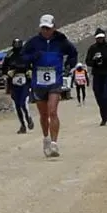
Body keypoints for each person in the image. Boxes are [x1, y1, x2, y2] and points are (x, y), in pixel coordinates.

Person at [20, 14, 78, 158]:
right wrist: (33, 58)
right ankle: (46, 137)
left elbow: (73, 53)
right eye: (43, 28)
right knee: (44, 114)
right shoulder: (33, 42)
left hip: (55, 81)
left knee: (53, 112)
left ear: (54, 28)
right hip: (38, 83)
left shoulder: (61, 41)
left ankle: (54, 144)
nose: (46, 31)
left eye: (48, 28)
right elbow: (22, 57)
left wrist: (68, 66)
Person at [84, 27, 107, 125]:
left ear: (104, 37)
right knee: (98, 95)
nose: (100, 39)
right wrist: (94, 62)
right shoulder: (92, 48)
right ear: (95, 38)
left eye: (101, 37)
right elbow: (87, 61)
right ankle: (104, 116)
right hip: (97, 74)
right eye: (98, 38)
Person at [3, 38, 35, 133]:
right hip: (13, 83)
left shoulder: (27, 55)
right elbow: (3, 68)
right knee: (17, 106)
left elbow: (33, 65)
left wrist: (31, 72)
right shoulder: (9, 55)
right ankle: (22, 125)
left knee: (23, 103)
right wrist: (8, 73)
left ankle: (28, 118)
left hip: (25, 83)